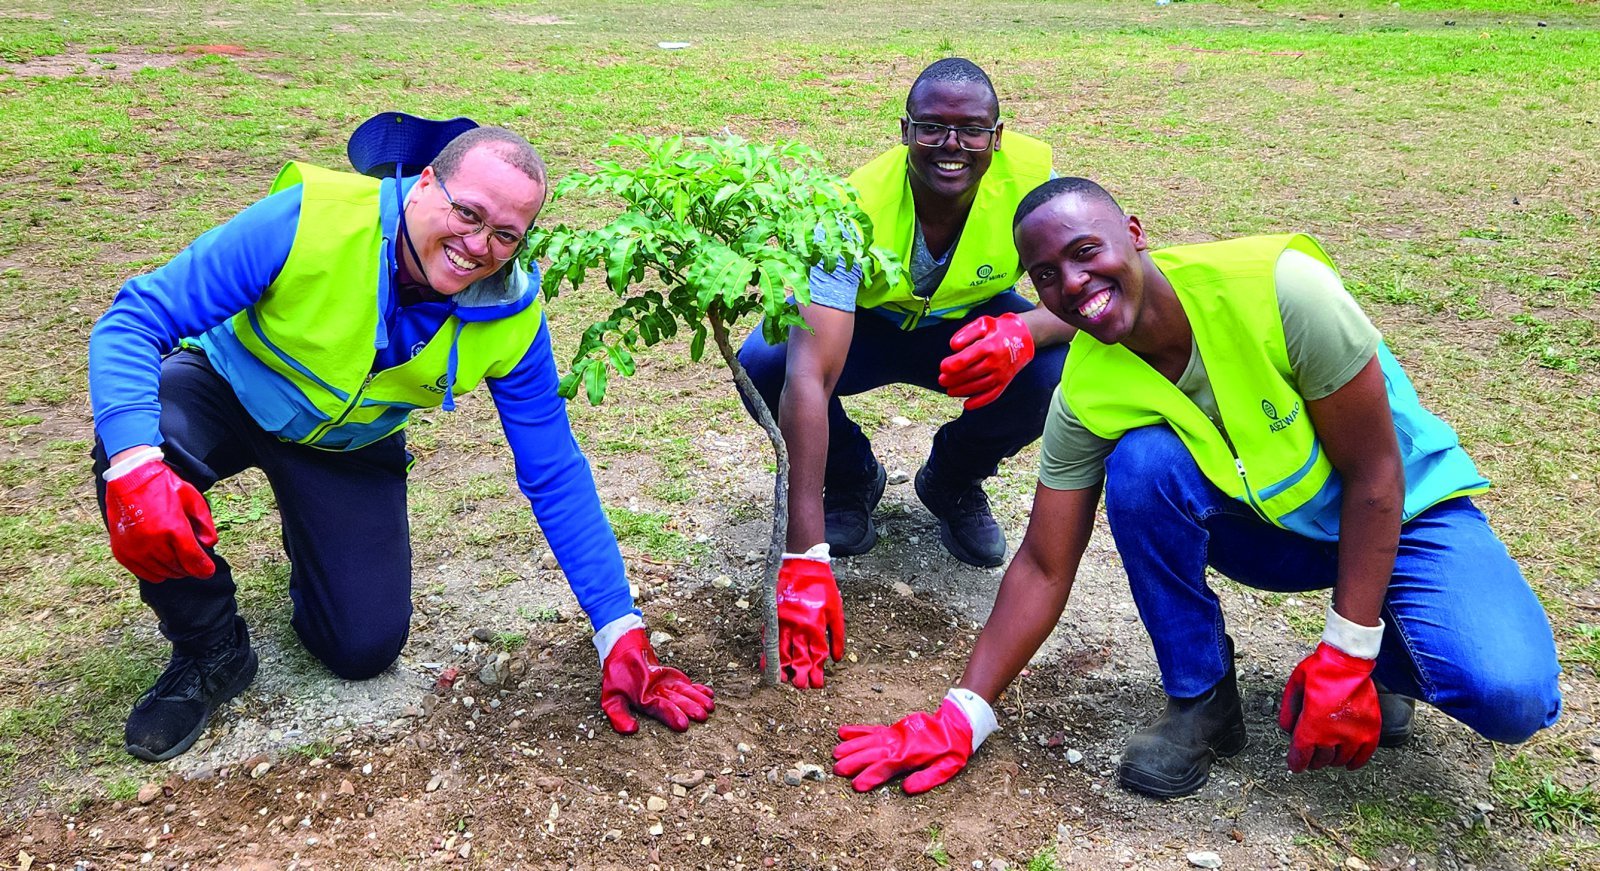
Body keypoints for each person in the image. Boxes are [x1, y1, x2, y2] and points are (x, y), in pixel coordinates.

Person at [831, 177, 1562, 798]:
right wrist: (963, 714)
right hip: (1279, 531)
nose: (1072, 285)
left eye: (1085, 252)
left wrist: (1346, 654)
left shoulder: (1282, 290)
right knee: (1143, 465)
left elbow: (1375, 477)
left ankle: (1378, 665)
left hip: (1405, 513)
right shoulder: (1086, 391)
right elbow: (1045, 564)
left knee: (1512, 695)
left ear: (1134, 234)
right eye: (1045, 275)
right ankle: (1203, 700)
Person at [88, 117, 714, 763]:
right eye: (468, 213)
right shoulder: (311, 218)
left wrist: (619, 629)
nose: (478, 245)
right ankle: (210, 648)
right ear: (424, 184)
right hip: (227, 387)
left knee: (362, 647)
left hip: (348, 446)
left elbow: (554, 470)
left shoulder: (513, 313)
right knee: (133, 450)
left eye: (506, 234)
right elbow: (135, 320)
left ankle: (315, 542)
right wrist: (136, 464)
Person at [736, 59, 1075, 689]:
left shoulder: (1035, 187)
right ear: (904, 130)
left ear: (998, 136)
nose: (952, 145)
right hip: (865, 328)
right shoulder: (849, 206)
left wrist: (1026, 330)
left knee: (1053, 369)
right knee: (768, 362)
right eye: (932, 127)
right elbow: (810, 375)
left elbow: (1105, 293)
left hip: (968, 329)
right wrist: (803, 557)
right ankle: (850, 480)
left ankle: (952, 480)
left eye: (971, 130)